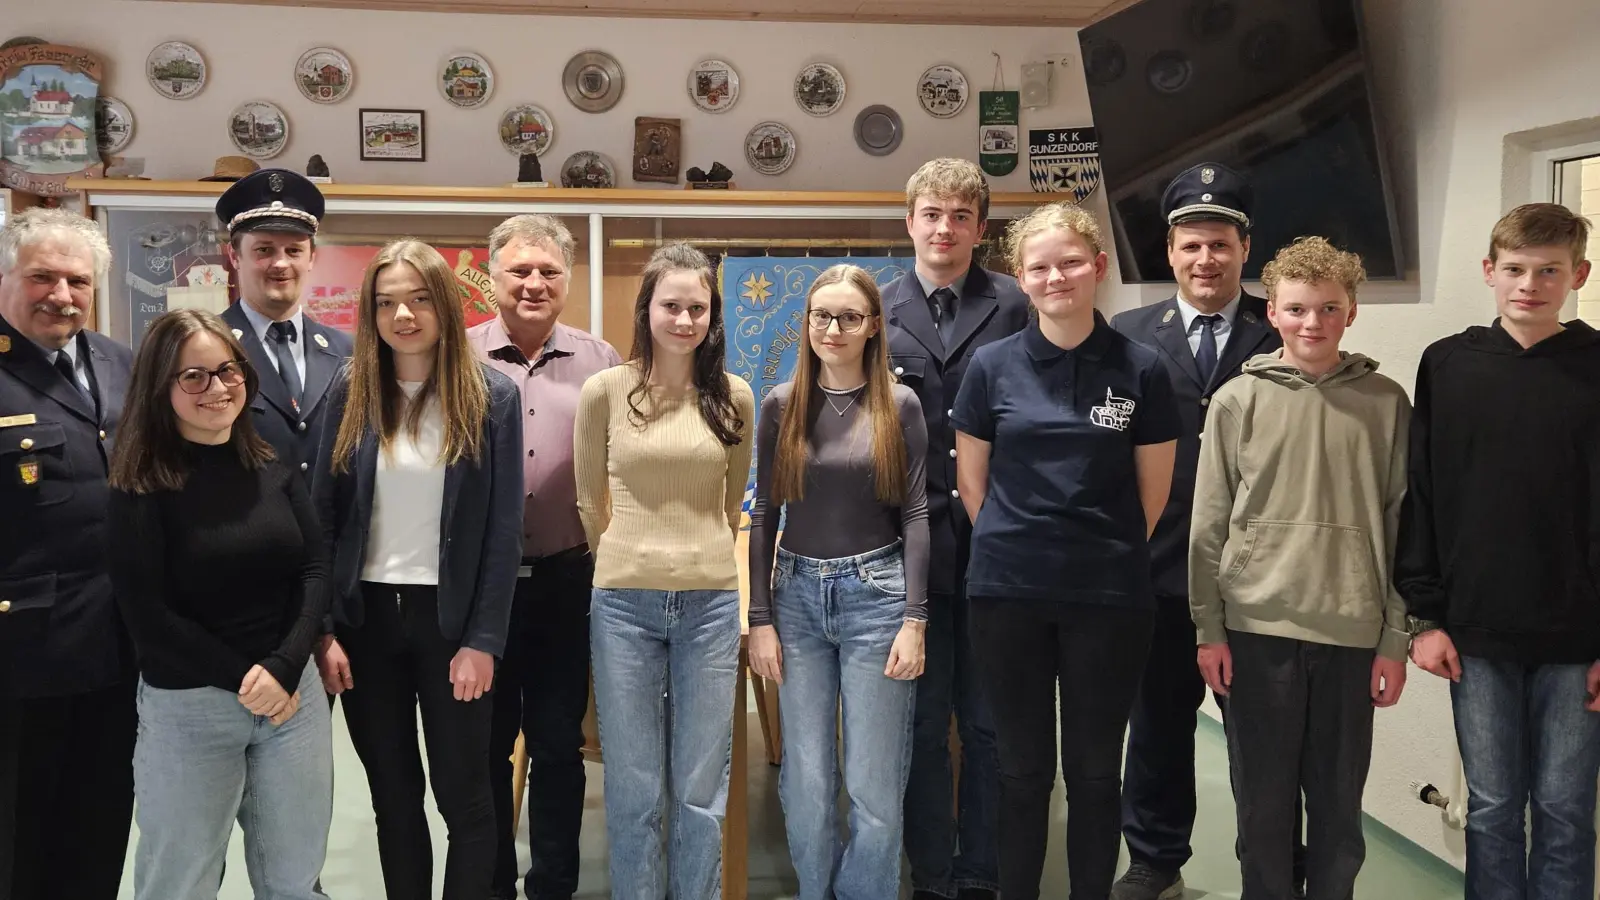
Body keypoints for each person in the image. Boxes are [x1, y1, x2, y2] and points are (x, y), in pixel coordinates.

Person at [952, 201, 1179, 900]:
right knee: (1020, 771)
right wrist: (1026, 547)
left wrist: (1094, 552)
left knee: (1092, 772)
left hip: (1108, 600)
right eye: (1041, 266)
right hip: (1007, 596)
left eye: (1072, 262)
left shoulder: (1144, 370)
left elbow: (1151, 499)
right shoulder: (991, 368)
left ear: (1099, 267)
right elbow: (971, 484)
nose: (1058, 277)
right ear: (1021, 277)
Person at [1188, 237, 1410, 900]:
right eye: (1297, 309)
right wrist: (1210, 630)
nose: (1313, 323)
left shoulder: (1386, 402)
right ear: (1273, 314)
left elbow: (1403, 524)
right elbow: (1209, 524)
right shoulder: (1237, 401)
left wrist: (1395, 638)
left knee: (1340, 812)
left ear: (1352, 313)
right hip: (1257, 632)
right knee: (1262, 807)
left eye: (1329, 309)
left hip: (1351, 635)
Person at [1396, 202, 1600, 900]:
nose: (1530, 284)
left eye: (1550, 271)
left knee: (1566, 811)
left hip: (1578, 637)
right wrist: (1425, 617)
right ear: (1489, 271)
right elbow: (1422, 492)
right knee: (1490, 808)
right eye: (1515, 269)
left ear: (1579, 273)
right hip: (1476, 631)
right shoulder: (1448, 365)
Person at [312, 240, 523, 900]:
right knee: (394, 799)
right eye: (386, 302)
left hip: (450, 625)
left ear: (446, 306)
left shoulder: (491, 397)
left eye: (419, 298)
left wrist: (484, 641)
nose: (403, 314)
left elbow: (502, 533)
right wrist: (323, 630)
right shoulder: (350, 391)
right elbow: (320, 518)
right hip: (368, 622)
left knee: (466, 801)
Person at [106, 309, 334, 900]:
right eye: (194, 377)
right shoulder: (138, 487)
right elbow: (149, 618)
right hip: (192, 706)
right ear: (161, 386)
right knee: (179, 881)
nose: (217, 388)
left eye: (227, 371)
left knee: (294, 878)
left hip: (293, 701)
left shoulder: (268, 463)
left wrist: (285, 668)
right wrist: (246, 678)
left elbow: (314, 568)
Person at [1108, 162, 1289, 900]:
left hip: (1259, 580)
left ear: (1245, 248)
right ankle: (1155, 860)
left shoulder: (1281, 329)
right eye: (1190, 245)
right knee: (1156, 731)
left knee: (1266, 743)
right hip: (1157, 571)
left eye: (1219, 244)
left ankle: (1269, 869)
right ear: (1169, 250)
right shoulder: (1126, 336)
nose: (1204, 260)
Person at [573, 242, 754, 900]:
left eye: (697, 308)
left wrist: (694, 553)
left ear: (713, 316)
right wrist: (627, 558)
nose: (684, 319)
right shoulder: (605, 391)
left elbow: (731, 502)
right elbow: (589, 499)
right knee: (634, 786)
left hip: (709, 604)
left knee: (702, 789)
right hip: (624, 606)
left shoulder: (734, 396)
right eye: (671, 305)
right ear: (646, 308)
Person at [747, 264, 929, 900]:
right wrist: (760, 618)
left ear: (873, 326)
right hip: (795, 601)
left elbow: (914, 515)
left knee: (874, 782)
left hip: (876, 600)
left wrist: (915, 619)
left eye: (850, 317)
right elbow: (764, 514)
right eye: (822, 315)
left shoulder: (899, 405)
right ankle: (814, 890)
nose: (834, 328)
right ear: (806, 324)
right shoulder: (780, 404)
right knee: (806, 777)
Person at [882, 157, 1028, 900]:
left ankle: (982, 873)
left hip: (998, 541)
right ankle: (930, 874)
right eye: (932, 214)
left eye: (961, 216)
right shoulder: (875, 308)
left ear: (980, 228)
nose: (945, 228)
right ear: (909, 221)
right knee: (921, 726)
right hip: (907, 549)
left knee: (988, 725)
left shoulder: (1013, 304)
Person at [470, 215, 620, 900]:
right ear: (492, 277)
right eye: (519, 271)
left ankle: (555, 883)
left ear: (567, 278)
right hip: (480, 591)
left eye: (548, 271)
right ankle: (493, 881)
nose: (534, 283)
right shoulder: (458, 356)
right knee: (485, 748)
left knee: (558, 744)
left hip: (568, 579)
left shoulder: (603, 362)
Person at [0, 208, 135, 900]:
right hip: (22, 651)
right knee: (22, 839)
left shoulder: (120, 363)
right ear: (7, 278)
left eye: (77, 281)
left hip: (117, 648)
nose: (61, 294)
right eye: (42, 277)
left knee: (100, 827)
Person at [217, 168, 353, 480]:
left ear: (312, 258)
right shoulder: (206, 346)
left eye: (294, 250)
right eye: (264, 250)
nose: (280, 264)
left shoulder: (346, 351)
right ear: (234, 255)